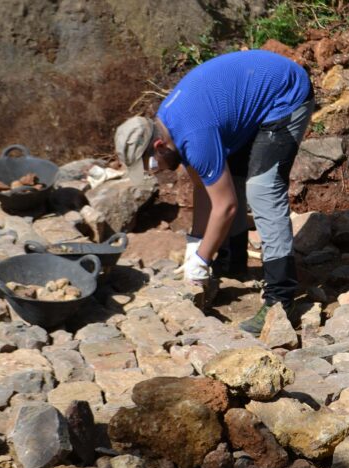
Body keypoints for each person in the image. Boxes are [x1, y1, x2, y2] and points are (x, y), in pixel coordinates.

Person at [117, 49, 314, 335]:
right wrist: (195, 244)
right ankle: (232, 265)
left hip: (285, 94)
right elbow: (203, 186)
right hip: (251, 101)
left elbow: (226, 207)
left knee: (262, 191)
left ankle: (281, 301)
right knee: (228, 179)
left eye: (150, 164)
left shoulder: (192, 136)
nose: (154, 171)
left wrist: (201, 260)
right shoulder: (169, 127)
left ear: (158, 146)